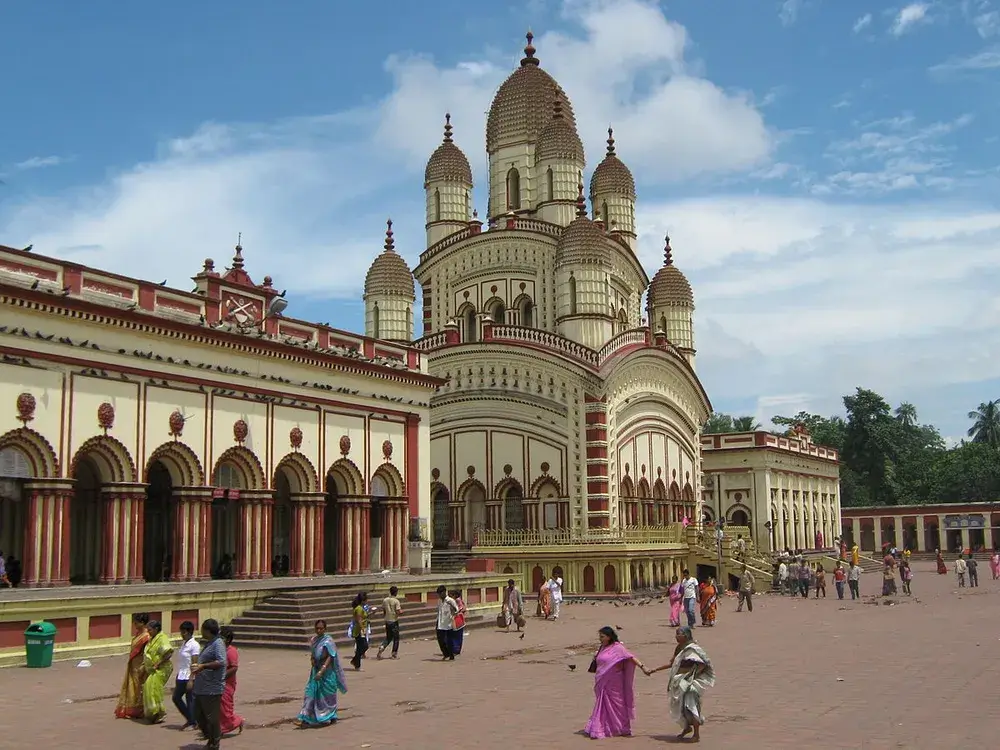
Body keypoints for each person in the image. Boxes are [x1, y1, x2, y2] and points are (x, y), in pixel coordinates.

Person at [646, 626, 715, 743]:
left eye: (679, 634)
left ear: (686, 635)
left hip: (690, 683)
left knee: (691, 706)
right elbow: (672, 663)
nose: (677, 636)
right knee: (680, 707)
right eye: (676, 634)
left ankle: (696, 735)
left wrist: (691, 675)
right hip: (680, 681)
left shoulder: (693, 649)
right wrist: (654, 670)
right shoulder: (680, 648)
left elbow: (702, 664)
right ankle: (686, 728)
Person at [583, 626, 646, 739]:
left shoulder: (618, 648)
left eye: (602, 637)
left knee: (617, 705)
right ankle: (602, 727)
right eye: (600, 637)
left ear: (609, 637)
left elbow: (631, 657)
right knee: (602, 705)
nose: (600, 639)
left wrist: (643, 667)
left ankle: (620, 728)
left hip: (614, 683)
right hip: (601, 681)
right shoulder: (602, 647)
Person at [296, 619, 347, 727]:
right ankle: (305, 718)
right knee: (310, 693)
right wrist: (312, 660)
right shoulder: (314, 640)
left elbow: (331, 656)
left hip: (327, 672)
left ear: (325, 629)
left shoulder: (328, 641)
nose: (319, 630)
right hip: (315, 670)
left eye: (321, 628)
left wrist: (322, 670)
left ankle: (332, 716)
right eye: (317, 628)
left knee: (328, 697)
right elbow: (313, 653)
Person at [191, 618, 227, 750]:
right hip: (202, 687)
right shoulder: (209, 643)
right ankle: (210, 737)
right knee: (198, 714)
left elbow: (221, 662)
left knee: (211, 718)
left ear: (207, 630)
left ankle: (214, 742)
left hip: (212, 688)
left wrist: (203, 666)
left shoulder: (218, 643)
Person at [114, 612, 151, 719]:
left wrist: (143, 666)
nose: (134, 624)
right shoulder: (138, 635)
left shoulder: (146, 636)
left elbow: (147, 653)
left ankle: (141, 709)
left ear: (143, 623)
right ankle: (133, 709)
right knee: (132, 687)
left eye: (136, 622)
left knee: (140, 687)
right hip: (133, 664)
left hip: (141, 665)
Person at [141, 619, 173, 724]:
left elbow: (168, 653)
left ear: (156, 629)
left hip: (162, 668)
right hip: (153, 669)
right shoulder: (152, 639)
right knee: (148, 687)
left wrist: (158, 663)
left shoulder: (162, 638)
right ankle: (153, 712)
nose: (148, 632)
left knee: (155, 688)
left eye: (150, 630)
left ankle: (160, 712)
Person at [172, 620, 200, 729]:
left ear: (188, 632)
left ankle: (192, 721)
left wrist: (191, 679)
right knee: (176, 698)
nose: (181, 634)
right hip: (181, 674)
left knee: (190, 700)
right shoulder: (184, 644)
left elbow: (194, 663)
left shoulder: (194, 645)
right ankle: (191, 719)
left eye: (183, 632)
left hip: (189, 675)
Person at [219, 626, 244, 736]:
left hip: (227, 683)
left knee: (226, 708)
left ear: (228, 639)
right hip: (219, 682)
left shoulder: (231, 651)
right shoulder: (220, 650)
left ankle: (236, 721)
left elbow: (234, 668)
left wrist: (222, 676)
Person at [376, 586, 402, 660]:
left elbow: (384, 610)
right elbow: (398, 611)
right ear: (396, 592)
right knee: (396, 638)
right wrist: (400, 613)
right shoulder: (396, 601)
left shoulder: (385, 600)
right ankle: (394, 654)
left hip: (387, 621)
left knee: (388, 637)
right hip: (394, 621)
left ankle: (382, 647)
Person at [435, 585, 458, 660]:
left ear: (444, 592)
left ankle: (451, 655)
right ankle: (445, 653)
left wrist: (452, 607)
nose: (439, 595)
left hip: (448, 623)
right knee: (440, 640)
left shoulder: (450, 601)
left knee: (449, 640)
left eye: (440, 593)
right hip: (440, 623)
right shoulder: (439, 601)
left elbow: (456, 610)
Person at [349, 592, 370, 670]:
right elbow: (359, 620)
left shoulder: (361, 608)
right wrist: (362, 629)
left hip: (361, 628)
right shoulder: (358, 609)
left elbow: (364, 617)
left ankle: (356, 663)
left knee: (360, 647)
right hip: (358, 630)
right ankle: (355, 660)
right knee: (364, 646)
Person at [448, 589, 467, 656]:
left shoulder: (457, 601)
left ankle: (455, 650)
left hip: (457, 620)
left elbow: (461, 609)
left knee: (455, 635)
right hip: (459, 620)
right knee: (458, 636)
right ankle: (456, 649)